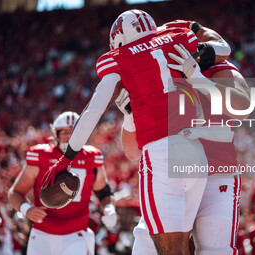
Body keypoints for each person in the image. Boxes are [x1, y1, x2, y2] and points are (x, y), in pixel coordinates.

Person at [42, 10, 231, 254]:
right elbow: (223, 48)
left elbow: (93, 111)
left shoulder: (119, 58)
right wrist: (199, 36)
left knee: (168, 248)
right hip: (196, 152)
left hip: (161, 152)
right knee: (183, 245)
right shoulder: (176, 36)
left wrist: (67, 157)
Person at [118, 20, 250, 255]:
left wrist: (198, 77)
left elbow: (243, 107)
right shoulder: (152, 78)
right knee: (147, 248)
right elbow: (133, 152)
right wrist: (129, 118)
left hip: (216, 172)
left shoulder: (216, 66)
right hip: (171, 174)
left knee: (215, 250)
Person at [8, 111, 117, 255]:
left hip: (76, 235)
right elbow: (15, 193)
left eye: (75, 132)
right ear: (56, 134)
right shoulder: (41, 156)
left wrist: (109, 208)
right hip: (42, 234)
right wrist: (26, 209)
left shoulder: (92, 157)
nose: (70, 136)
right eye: (65, 132)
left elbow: (104, 192)